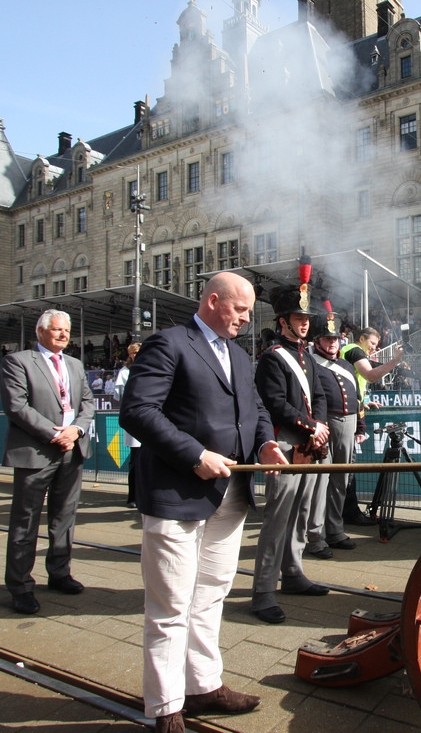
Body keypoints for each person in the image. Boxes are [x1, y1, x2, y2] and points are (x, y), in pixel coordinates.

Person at [119, 272, 285, 731]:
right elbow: (137, 411)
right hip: (177, 493)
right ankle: (166, 706)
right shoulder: (169, 343)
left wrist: (265, 443)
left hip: (230, 494)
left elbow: (255, 409)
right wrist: (195, 455)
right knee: (170, 605)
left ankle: (204, 685)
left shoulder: (239, 355)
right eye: (240, 309)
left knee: (212, 594)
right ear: (213, 301)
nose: (247, 319)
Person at [0, 309, 96, 615]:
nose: (63, 334)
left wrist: (76, 431)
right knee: (25, 520)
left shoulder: (75, 364)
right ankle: (20, 586)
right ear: (41, 331)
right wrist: (55, 435)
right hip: (36, 451)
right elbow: (17, 406)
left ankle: (59, 573)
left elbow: (88, 403)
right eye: (56, 329)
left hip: (72, 449)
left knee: (64, 517)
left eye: (66, 330)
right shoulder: (18, 361)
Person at [251, 287, 330, 625]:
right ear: (283, 321)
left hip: (309, 445)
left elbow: (319, 395)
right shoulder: (273, 357)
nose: (305, 323)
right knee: (278, 518)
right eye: (299, 318)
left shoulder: (306, 356)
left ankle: (293, 573)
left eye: (306, 318)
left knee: (300, 514)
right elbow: (274, 403)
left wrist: (320, 426)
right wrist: (311, 426)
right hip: (286, 445)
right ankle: (263, 590)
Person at [306, 307, 366, 559]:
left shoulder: (346, 365)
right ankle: (315, 536)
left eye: (335, 338)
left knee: (341, 481)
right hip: (324, 425)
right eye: (327, 338)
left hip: (348, 424)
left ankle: (335, 530)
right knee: (320, 483)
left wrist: (360, 425)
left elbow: (357, 397)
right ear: (318, 340)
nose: (332, 343)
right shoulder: (310, 362)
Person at [339, 327, 404, 524]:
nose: (374, 348)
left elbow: (353, 384)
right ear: (361, 339)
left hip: (349, 411)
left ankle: (342, 511)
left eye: (377, 345)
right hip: (346, 416)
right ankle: (350, 513)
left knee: (344, 467)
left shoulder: (350, 352)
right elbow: (370, 375)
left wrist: (363, 401)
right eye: (372, 344)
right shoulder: (354, 351)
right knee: (347, 467)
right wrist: (395, 361)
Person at [113, 343, 143, 508]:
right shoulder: (125, 372)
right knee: (135, 460)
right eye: (135, 352)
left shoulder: (150, 366)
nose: (137, 354)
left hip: (152, 420)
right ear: (130, 354)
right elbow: (119, 396)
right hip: (135, 419)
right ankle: (133, 496)